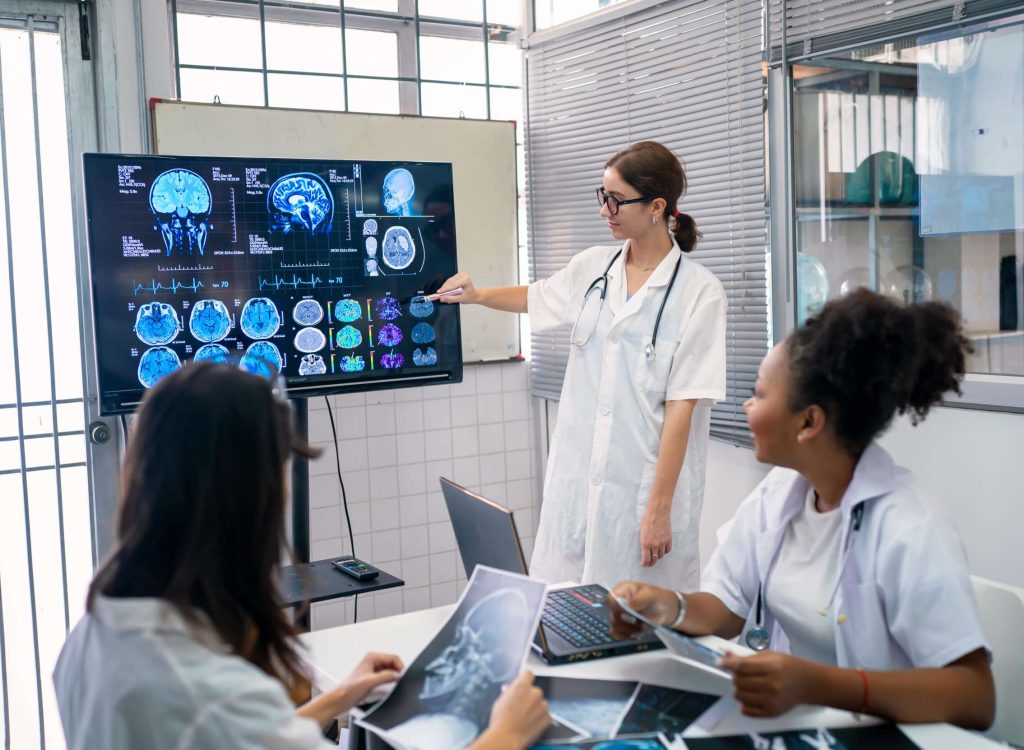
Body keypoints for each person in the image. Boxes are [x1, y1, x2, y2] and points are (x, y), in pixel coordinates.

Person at [53, 362, 549, 749]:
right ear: (242, 503)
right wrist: (505, 735)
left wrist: (337, 698)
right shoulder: (212, 692)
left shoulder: (92, 637)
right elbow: (223, 724)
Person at [607, 289, 995, 729]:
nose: (747, 407)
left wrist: (818, 684)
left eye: (759, 394)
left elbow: (975, 698)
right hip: (806, 725)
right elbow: (727, 608)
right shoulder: (781, 494)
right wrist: (668, 608)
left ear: (808, 422)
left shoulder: (909, 527)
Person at [437, 140, 726, 590]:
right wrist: (477, 296)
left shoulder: (698, 292)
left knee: (637, 626)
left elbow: (681, 408)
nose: (604, 210)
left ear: (657, 207)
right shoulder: (594, 267)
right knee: (564, 612)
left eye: (616, 200)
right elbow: (537, 297)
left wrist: (659, 510)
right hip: (577, 485)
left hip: (641, 492)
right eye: (602, 195)